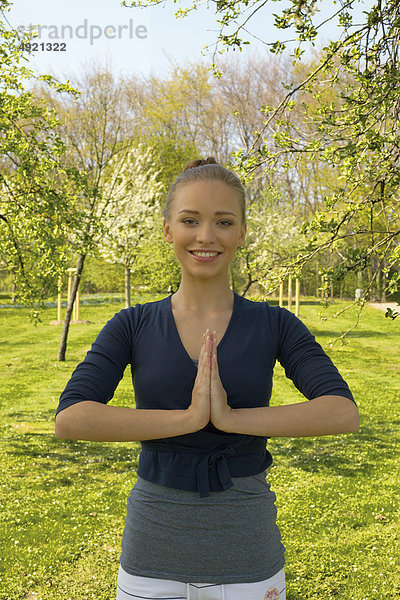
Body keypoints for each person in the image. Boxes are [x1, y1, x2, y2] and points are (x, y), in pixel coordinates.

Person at [55, 157, 359, 600]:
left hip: (248, 557)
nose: (205, 236)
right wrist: (189, 418)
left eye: (223, 221)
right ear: (167, 230)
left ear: (241, 233)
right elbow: (71, 419)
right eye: (190, 220)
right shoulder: (132, 324)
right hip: (151, 557)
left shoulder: (276, 324)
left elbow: (342, 412)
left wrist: (232, 418)